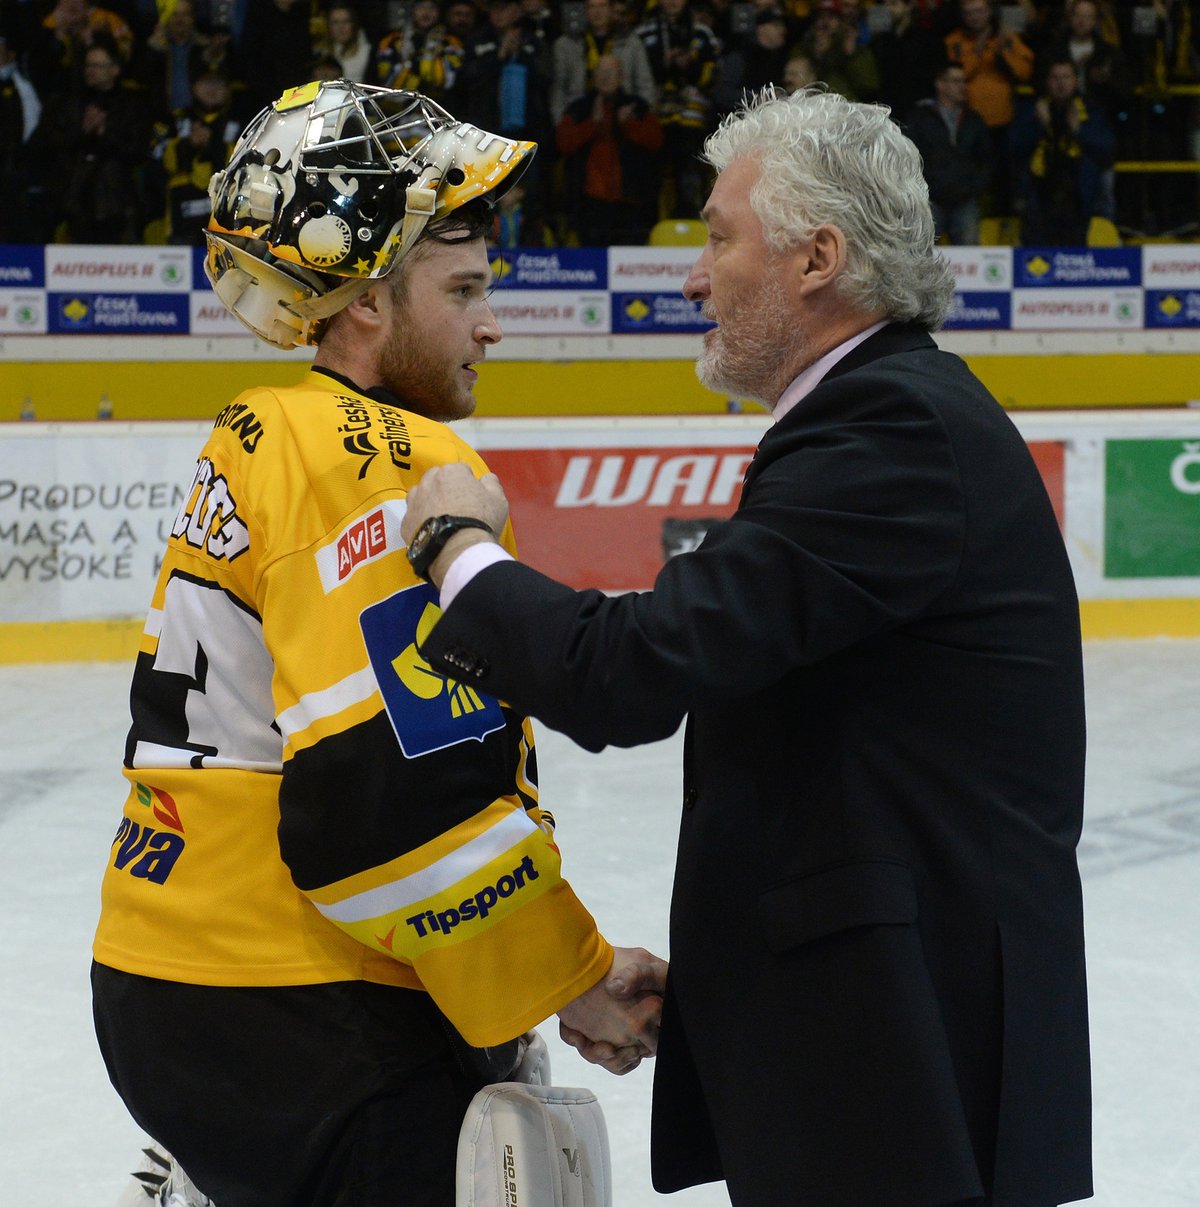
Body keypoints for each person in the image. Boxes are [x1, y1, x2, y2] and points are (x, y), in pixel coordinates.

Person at [399, 86, 1093, 1207]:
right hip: (876, 1039)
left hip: (909, 1055)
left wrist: (455, 550)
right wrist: (718, 993)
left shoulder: (892, 429)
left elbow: (636, 666)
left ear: (818, 256)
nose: (692, 274)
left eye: (720, 237)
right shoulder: (874, 417)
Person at [91, 80, 664, 1207]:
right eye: (463, 290)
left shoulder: (267, 431)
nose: (490, 324)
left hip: (177, 971)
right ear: (362, 305)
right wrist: (571, 974)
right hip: (300, 1005)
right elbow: (385, 796)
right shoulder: (382, 454)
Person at [556, 50, 664, 244]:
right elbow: (563, 144)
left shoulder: (637, 107)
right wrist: (593, 124)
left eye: (610, 72)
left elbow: (656, 141)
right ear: (593, 78)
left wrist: (627, 124)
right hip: (589, 204)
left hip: (631, 201)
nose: (605, 77)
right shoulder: (579, 109)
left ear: (621, 77)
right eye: (600, 72)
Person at [1012, 56, 1116, 245]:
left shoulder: (1090, 110)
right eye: (1055, 78)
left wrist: (1078, 130)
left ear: (1076, 81)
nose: (1061, 83)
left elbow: (1106, 148)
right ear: (1047, 81)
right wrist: (1039, 126)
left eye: (1066, 77)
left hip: (1077, 196)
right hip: (1039, 197)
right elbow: (1013, 147)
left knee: (1074, 255)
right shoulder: (1032, 109)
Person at [906, 60, 991, 243]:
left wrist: (974, 187)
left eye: (964, 81)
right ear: (940, 84)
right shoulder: (921, 117)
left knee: (971, 259)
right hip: (929, 201)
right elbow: (909, 156)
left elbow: (986, 158)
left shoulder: (973, 119)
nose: (963, 87)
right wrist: (922, 188)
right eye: (956, 81)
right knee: (918, 254)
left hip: (965, 201)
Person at [548, 0, 656, 124]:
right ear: (584, 10)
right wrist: (562, 125)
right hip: (579, 117)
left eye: (602, 6)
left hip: (624, 116)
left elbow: (645, 85)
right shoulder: (565, 45)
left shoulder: (631, 42)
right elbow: (559, 90)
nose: (597, 12)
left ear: (611, 9)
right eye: (592, 6)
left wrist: (642, 117)